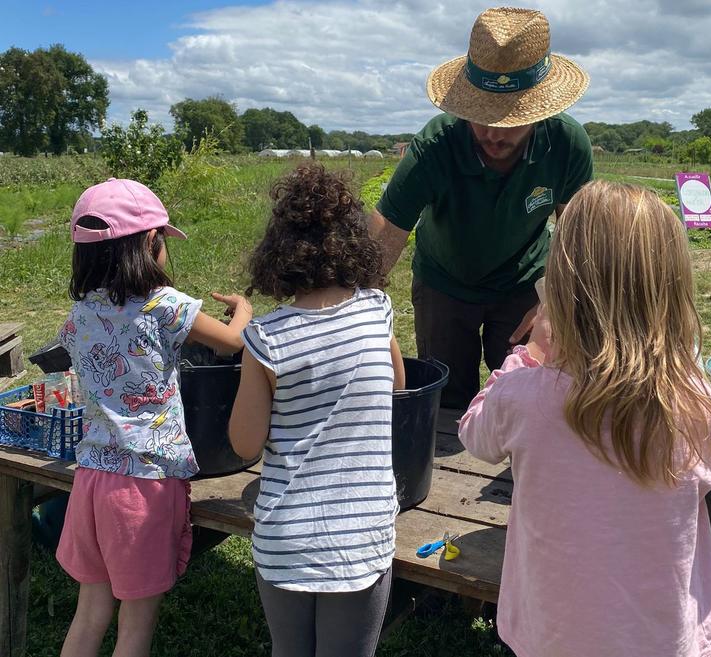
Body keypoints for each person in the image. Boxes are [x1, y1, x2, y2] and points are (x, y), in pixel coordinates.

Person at [458, 180, 711, 657]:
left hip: (552, 633)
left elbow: (474, 436)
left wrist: (526, 355)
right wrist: (694, 382)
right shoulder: (692, 405)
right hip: (663, 638)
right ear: (668, 293)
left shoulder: (522, 395)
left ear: (559, 288)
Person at [57, 178, 253, 657]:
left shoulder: (80, 313)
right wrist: (243, 310)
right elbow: (232, 342)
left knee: (90, 614)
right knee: (136, 626)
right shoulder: (164, 304)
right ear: (150, 243)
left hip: (91, 479)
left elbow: (75, 353)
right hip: (143, 484)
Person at [370, 7, 592, 408]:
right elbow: (387, 234)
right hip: (444, 282)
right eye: (480, 115)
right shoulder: (435, 145)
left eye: (509, 119)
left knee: (530, 394)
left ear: (539, 110)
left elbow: (580, 237)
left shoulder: (567, 145)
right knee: (447, 399)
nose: (492, 133)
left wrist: (553, 301)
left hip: (525, 281)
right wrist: (352, 311)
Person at [228, 163, 405, 657]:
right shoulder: (377, 310)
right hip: (359, 540)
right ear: (354, 242)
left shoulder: (264, 340)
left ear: (278, 251)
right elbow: (398, 384)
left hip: (286, 537)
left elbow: (244, 444)